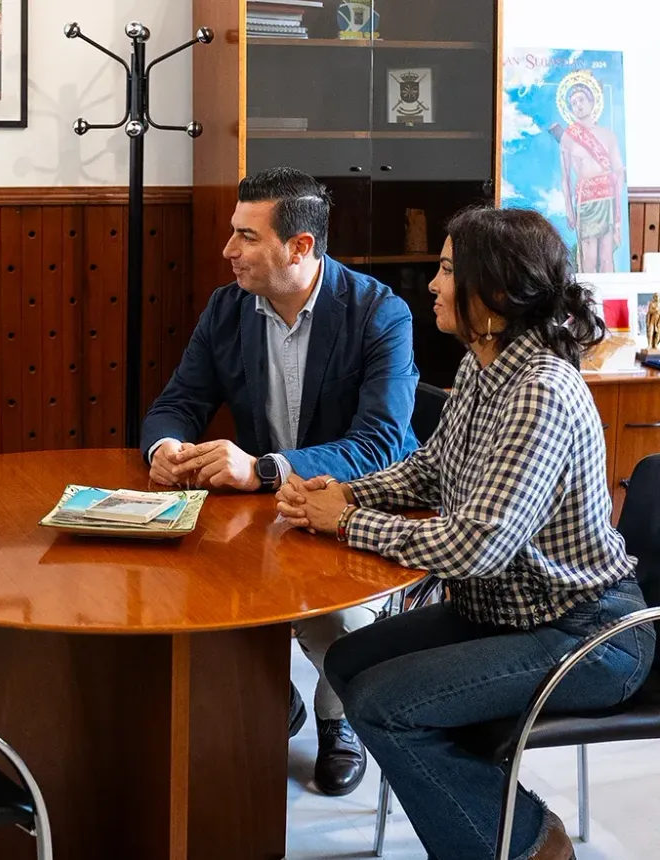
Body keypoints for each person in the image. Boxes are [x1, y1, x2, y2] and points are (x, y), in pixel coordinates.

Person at [277, 206, 655, 859]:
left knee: (386, 706)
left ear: (497, 293)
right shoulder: (486, 365)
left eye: (449, 269)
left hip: (585, 634)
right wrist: (344, 493)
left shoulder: (540, 389)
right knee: (347, 662)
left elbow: (478, 547)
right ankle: (489, 810)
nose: (432, 283)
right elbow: (430, 471)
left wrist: (349, 520)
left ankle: (524, 842)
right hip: (504, 615)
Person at [141, 166, 419, 796]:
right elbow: (178, 402)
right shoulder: (227, 307)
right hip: (265, 510)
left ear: (300, 248)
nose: (227, 250)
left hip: (358, 505)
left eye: (245, 236)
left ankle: (336, 719)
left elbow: (378, 445)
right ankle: (273, 697)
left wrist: (263, 469)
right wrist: (165, 446)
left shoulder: (381, 313)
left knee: (342, 625)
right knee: (181, 594)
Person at [555, 76, 625, 273]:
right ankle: (589, 302)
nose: (578, 106)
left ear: (592, 102)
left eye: (581, 100)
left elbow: (619, 170)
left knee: (606, 255)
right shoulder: (568, 138)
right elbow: (565, 177)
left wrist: (616, 202)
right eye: (573, 103)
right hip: (586, 200)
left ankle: (608, 302)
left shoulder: (609, 135)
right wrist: (569, 209)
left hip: (608, 198)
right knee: (589, 255)